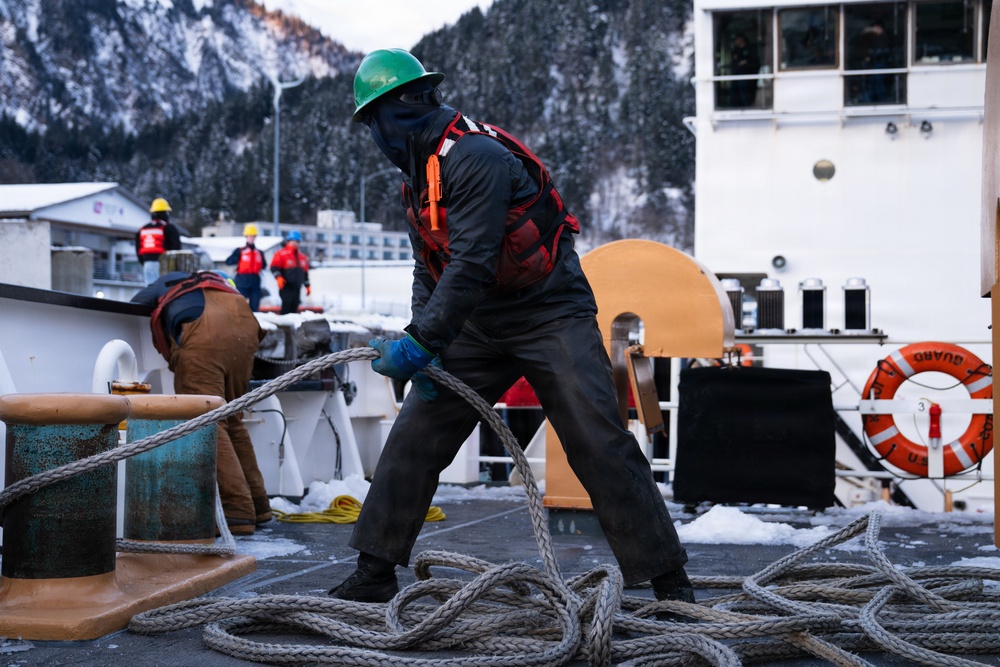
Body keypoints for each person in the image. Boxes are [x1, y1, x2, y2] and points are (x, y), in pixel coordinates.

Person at [328, 48, 694, 604]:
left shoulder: (473, 157)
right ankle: (374, 570)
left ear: (390, 114)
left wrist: (425, 341)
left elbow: (472, 260)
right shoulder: (417, 178)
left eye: (372, 123)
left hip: (549, 312)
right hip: (475, 320)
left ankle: (670, 583)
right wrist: (418, 338)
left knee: (598, 439)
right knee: (416, 434)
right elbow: (431, 268)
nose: (375, 135)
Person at [131, 270, 271, 535]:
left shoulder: (169, 280)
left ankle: (236, 511)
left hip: (204, 332)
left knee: (207, 421)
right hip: (245, 327)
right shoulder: (220, 285)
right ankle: (258, 504)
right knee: (233, 418)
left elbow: (137, 302)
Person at [135, 197, 182, 285]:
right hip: (165, 264)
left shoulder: (143, 229)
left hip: (147, 264)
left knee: (150, 290)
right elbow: (176, 248)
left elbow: (138, 249)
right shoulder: (169, 228)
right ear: (166, 213)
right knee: (165, 291)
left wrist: (145, 261)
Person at [225, 223, 267, 311]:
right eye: (250, 236)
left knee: (255, 307)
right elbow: (228, 261)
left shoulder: (259, 253)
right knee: (239, 306)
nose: (251, 238)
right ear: (246, 237)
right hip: (242, 281)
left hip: (255, 282)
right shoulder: (240, 251)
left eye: (253, 236)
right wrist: (236, 258)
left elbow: (264, 265)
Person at [269, 230, 311, 314]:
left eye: (297, 241)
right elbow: (274, 267)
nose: (295, 243)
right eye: (293, 241)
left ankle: (292, 326)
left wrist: (307, 286)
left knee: (294, 307)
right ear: (289, 241)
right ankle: (284, 326)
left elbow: (305, 273)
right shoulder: (281, 254)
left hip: (297, 287)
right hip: (286, 287)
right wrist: (278, 277)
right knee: (286, 307)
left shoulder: (302, 257)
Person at [730, 33, 760, 108]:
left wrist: (746, 62)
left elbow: (754, 61)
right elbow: (734, 63)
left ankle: (748, 107)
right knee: (735, 95)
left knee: (746, 96)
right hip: (737, 76)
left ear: (741, 39)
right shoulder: (736, 51)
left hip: (748, 77)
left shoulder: (751, 49)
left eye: (736, 39)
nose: (735, 41)